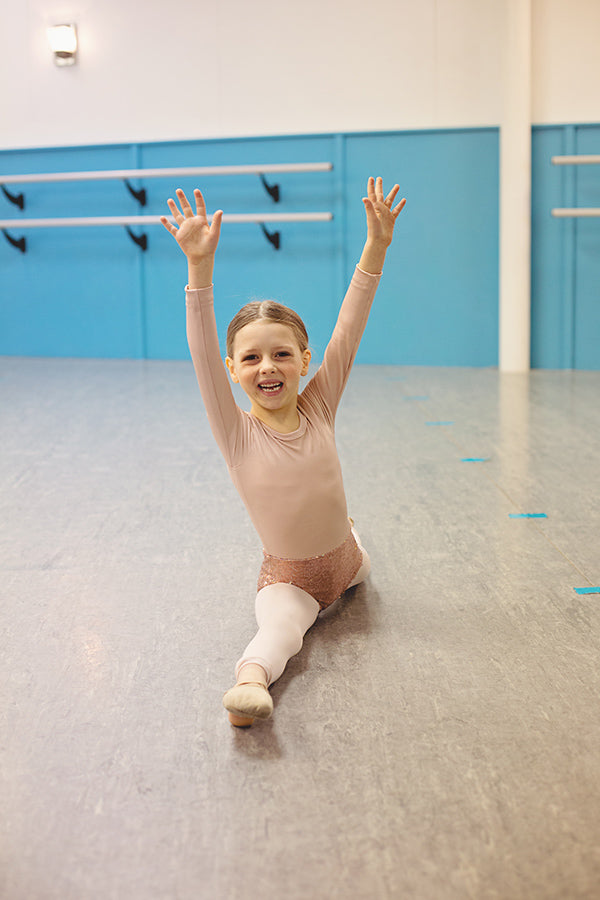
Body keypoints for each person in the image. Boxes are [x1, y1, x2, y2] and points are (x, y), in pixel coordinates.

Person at [161, 177, 406, 726]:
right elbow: (201, 347)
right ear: (232, 370)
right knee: (280, 633)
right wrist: (200, 268)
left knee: (362, 558)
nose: (267, 367)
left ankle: (353, 537)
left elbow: (350, 326)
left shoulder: (319, 402)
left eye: (281, 354)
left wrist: (376, 246)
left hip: (349, 561)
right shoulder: (236, 432)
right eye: (250, 359)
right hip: (292, 579)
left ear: (304, 358)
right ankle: (249, 687)